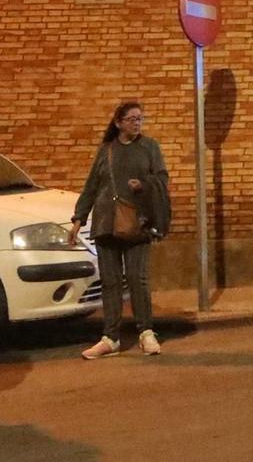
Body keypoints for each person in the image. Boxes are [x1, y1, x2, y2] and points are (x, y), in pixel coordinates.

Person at [72, 100, 170, 359]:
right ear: (118, 122)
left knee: (138, 279)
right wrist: (79, 218)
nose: (137, 123)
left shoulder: (149, 147)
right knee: (110, 282)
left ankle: (146, 332)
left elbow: (162, 178)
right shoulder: (106, 150)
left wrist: (144, 185)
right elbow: (92, 185)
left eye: (140, 119)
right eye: (132, 119)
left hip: (138, 222)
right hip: (106, 222)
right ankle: (110, 337)